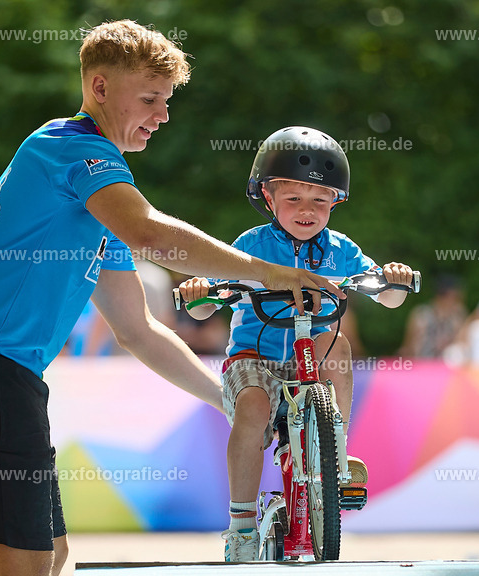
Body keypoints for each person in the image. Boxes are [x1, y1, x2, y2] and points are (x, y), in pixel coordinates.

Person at [0, 20, 343, 576]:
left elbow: (138, 330)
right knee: (26, 562)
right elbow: (151, 234)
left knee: (51, 556)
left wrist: (229, 402)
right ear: (99, 87)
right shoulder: (70, 147)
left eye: (166, 101)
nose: (162, 115)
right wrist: (271, 273)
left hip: (4, 373)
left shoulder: (97, 204)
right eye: (149, 99)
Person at [177, 126, 416, 562]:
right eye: (294, 198)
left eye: (320, 200)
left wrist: (393, 280)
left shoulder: (341, 251)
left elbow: (388, 297)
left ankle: (336, 453)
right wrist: (199, 292)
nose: (307, 210)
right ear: (268, 198)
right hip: (256, 360)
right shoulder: (250, 247)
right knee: (252, 407)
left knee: (338, 344)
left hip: (312, 364)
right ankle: (241, 526)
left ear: (335, 202)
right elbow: (204, 306)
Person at [398, 274, 466, 358]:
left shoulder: (457, 316)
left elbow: (462, 344)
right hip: (421, 362)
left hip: (447, 364)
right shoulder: (421, 315)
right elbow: (408, 347)